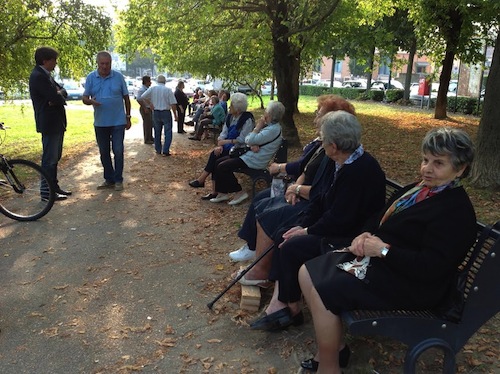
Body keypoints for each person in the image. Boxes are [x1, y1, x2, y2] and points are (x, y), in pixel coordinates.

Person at [298, 127, 477, 373]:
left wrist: (383, 250)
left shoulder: (455, 212)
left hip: (414, 285)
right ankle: (337, 350)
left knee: (325, 289)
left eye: (438, 163)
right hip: (388, 266)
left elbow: (431, 268)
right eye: (425, 159)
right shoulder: (419, 190)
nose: (427, 168)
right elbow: (379, 217)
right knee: (306, 272)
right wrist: (365, 234)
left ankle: (328, 366)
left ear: (460, 169)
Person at [241, 111, 385, 315]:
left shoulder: (359, 171)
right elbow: (322, 198)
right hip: (337, 224)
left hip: (351, 236)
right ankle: (284, 301)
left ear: (333, 146)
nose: (321, 143)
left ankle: (290, 307)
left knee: (292, 244)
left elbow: (340, 219)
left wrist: (307, 231)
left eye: (323, 140)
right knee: (286, 232)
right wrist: (303, 225)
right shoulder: (343, 160)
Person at [229, 95, 356, 262]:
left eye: (319, 113)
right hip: (306, 195)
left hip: (310, 203)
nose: (315, 117)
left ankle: (258, 261)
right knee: (261, 199)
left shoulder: (333, 152)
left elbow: (321, 191)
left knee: (268, 212)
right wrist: (295, 186)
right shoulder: (325, 146)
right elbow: (306, 169)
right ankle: (252, 247)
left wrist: (294, 186)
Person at [209, 100, 284, 206]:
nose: (264, 114)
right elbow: (251, 140)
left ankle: (239, 192)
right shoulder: (271, 128)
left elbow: (248, 139)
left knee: (222, 166)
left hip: (255, 161)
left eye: (266, 111)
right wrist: (253, 143)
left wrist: (257, 127)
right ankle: (222, 193)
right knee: (218, 162)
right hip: (250, 156)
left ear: (271, 115)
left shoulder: (272, 129)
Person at [188, 92, 254, 199]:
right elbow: (224, 132)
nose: (229, 106)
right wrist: (221, 144)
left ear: (238, 109)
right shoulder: (230, 117)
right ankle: (214, 190)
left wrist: (226, 142)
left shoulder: (247, 120)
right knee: (215, 153)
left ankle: (210, 186)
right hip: (228, 147)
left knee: (217, 159)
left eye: (231, 105)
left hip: (239, 149)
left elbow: (243, 139)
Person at [83, 51, 131, 191]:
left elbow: (126, 98)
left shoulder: (118, 77)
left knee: (118, 150)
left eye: (107, 64)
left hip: (118, 121)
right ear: (97, 63)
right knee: (104, 152)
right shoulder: (91, 78)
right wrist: (91, 101)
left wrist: (128, 117)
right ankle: (108, 179)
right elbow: (85, 98)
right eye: (102, 64)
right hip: (100, 122)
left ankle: (118, 180)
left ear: (111, 63)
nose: (105, 67)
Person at [28, 46, 71, 201]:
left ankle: (54, 187)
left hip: (56, 122)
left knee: (55, 157)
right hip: (49, 123)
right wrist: (57, 96)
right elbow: (56, 97)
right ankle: (46, 193)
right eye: (54, 60)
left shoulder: (46, 75)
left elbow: (62, 92)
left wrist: (58, 95)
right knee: (49, 159)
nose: (56, 63)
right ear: (45, 60)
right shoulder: (38, 76)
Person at [138, 75, 178, 156]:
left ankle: (158, 149)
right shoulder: (168, 90)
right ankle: (166, 150)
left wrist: (150, 103)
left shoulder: (153, 89)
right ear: (165, 81)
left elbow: (142, 97)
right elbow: (173, 103)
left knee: (157, 131)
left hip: (156, 112)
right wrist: (175, 115)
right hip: (166, 111)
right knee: (168, 132)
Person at [136, 76, 154, 144]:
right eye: (149, 81)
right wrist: (144, 108)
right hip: (145, 108)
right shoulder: (142, 90)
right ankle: (147, 139)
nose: (150, 82)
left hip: (148, 107)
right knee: (147, 124)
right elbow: (139, 99)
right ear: (146, 81)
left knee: (150, 123)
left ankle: (150, 137)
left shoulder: (147, 88)